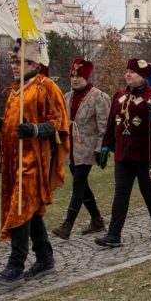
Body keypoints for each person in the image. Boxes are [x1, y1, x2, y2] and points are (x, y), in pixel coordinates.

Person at [0, 40, 70, 286]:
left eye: (22, 62)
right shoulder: (14, 91)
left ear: (35, 63)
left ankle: (16, 264)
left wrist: (36, 129)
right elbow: (15, 128)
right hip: (14, 161)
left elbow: (59, 123)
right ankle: (45, 258)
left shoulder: (46, 87)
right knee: (30, 210)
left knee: (21, 207)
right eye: (13, 62)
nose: (15, 66)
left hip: (35, 160)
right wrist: (0, 125)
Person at [94, 58, 151, 248]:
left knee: (148, 191)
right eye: (127, 71)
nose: (128, 74)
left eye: (133, 72)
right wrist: (105, 147)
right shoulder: (119, 95)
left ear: (143, 76)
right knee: (121, 193)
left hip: (145, 153)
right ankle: (114, 235)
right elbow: (112, 124)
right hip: (123, 153)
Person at [51, 59, 110, 239]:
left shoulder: (98, 97)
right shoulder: (67, 97)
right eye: (73, 76)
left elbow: (104, 125)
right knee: (83, 186)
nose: (75, 79)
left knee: (78, 184)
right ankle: (96, 219)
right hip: (72, 149)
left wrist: (102, 148)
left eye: (79, 76)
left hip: (88, 148)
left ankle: (67, 225)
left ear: (86, 77)